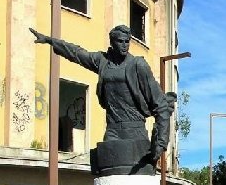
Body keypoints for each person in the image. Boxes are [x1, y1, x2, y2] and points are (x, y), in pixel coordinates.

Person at [29, 25, 170, 175]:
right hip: (112, 129)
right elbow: (77, 53)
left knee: (138, 174)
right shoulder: (102, 61)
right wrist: (51, 41)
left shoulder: (138, 65)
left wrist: (161, 143)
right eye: (120, 41)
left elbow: (160, 105)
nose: (124, 45)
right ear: (112, 42)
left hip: (135, 130)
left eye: (127, 41)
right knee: (106, 171)